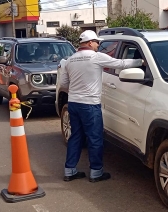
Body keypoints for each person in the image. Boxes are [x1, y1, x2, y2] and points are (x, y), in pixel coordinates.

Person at [59, 30, 145, 183]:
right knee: (95, 137)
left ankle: (69, 170)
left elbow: (65, 84)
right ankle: (96, 172)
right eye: (97, 42)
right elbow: (121, 64)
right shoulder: (96, 57)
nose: (98, 45)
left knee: (76, 136)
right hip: (90, 105)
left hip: (74, 103)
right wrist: (141, 62)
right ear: (90, 42)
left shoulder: (70, 60)